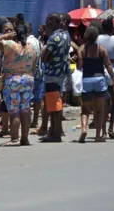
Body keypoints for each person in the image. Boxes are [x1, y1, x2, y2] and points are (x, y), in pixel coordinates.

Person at [0, 23, 39, 146]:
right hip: (28, 79)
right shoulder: (32, 49)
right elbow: (33, 67)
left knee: (14, 110)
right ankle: (25, 138)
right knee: (25, 109)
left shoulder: (11, 45)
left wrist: (5, 35)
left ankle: (15, 138)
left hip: (13, 79)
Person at [78, 25, 114, 143]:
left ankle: (84, 129)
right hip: (99, 80)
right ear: (96, 37)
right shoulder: (101, 49)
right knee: (99, 110)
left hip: (87, 80)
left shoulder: (82, 49)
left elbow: (79, 65)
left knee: (85, 110)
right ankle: (98, 135)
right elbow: (108, 65)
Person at [42, 13, 71, 143]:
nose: (47, 22)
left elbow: (45, 56)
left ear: (54, 21)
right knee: (54, 104)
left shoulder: (53, 38)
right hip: (60, 74)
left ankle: (56, 133)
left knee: (54, 105)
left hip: (51, 74)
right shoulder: (66, 35)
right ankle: (53, 131)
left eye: (49, 20)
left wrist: (44, 55)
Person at [97, 17, 114, 139]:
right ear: (112, 28)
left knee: (103, 102)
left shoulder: (97, 40)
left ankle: (104, 131)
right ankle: (111, 127)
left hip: (101, 72)